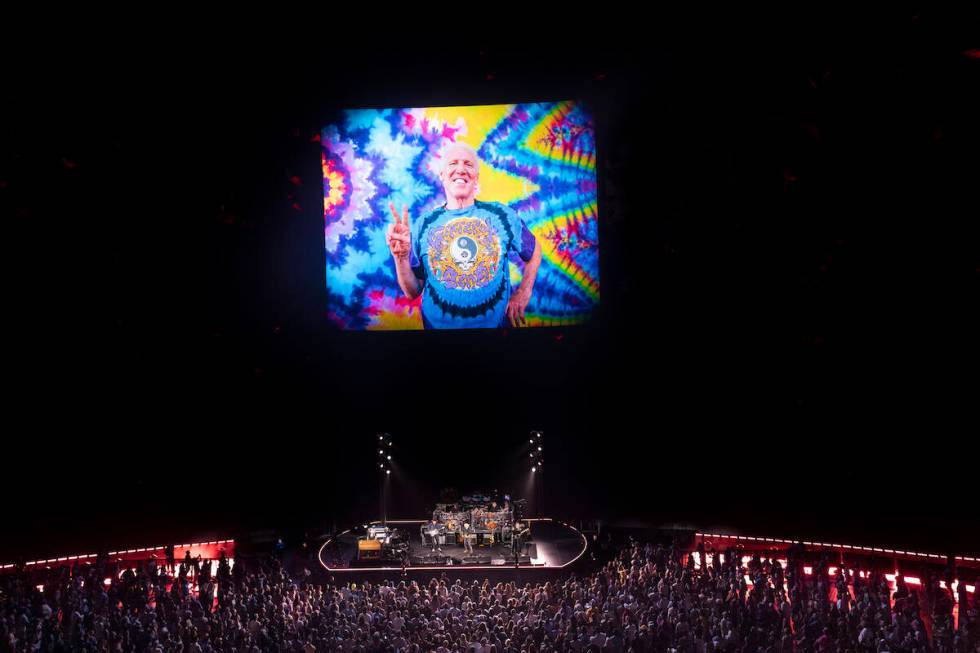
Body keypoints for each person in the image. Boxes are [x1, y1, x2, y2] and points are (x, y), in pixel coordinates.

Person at [387, 142, 543, 329]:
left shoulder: (502, 215)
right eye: (453, 164)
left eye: (468, 164)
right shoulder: (424, 224)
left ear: (476, 177)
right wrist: (401, 258)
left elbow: (534, 250)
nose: (461, 169)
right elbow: (413, 291)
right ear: (442, 176)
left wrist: (524, 292)